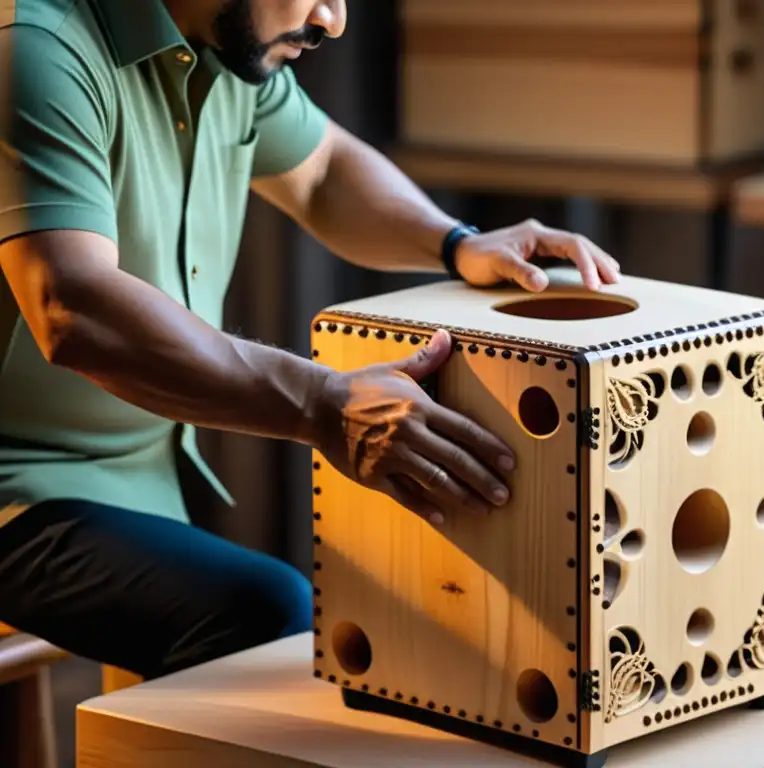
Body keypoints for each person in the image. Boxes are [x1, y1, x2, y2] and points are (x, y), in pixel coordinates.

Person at [0, 0, 620, 680]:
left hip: (136, 475)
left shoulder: (217, 46)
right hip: (19, 490)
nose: (335, 19)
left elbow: (321, 172)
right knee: (265, 616)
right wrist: (321, 403)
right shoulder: (36, 47)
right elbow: (72, 307)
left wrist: (457, 244)